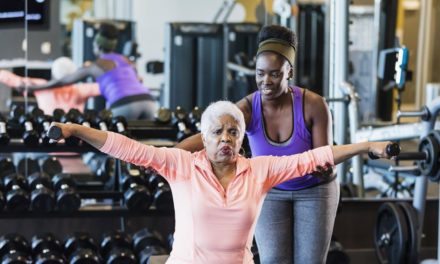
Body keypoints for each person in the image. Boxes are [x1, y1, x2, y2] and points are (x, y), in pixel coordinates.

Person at [49, 100, 395, 264]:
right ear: (205, 136)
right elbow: (127, 148)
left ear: (242, 138)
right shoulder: (181, 164)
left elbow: (313, 158)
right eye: (217, 132)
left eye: (234, 132)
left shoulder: (259, 170)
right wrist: (76, 130)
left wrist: (366, 147)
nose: (226, 138)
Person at [176, 25, 336, 263]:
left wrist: (322, 166)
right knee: (273, 260)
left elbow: (325, 161)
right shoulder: (248, 109)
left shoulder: (314, 105)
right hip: (270, 191)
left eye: (274, 73)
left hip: (314, 191)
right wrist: (169, 154)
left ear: (289, 72)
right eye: (260, 73)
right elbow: (210, 136)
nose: (266, 81)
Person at [19, 22, 158, 120]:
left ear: (97, 46)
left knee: (110, 147)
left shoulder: (95, 65)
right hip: (149, 102)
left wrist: (33, 88)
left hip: (124, 104)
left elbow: (63, 81)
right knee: (143, 147)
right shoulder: (126, 60)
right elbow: (139, 80)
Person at [0, 57, 100, 114]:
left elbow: (9, 78)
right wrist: (90, 69)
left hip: (52, 144)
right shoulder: (80, 90)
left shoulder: (42, 86)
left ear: (52, 73)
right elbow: (107, 86)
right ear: (74, 76)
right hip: (75, 144)